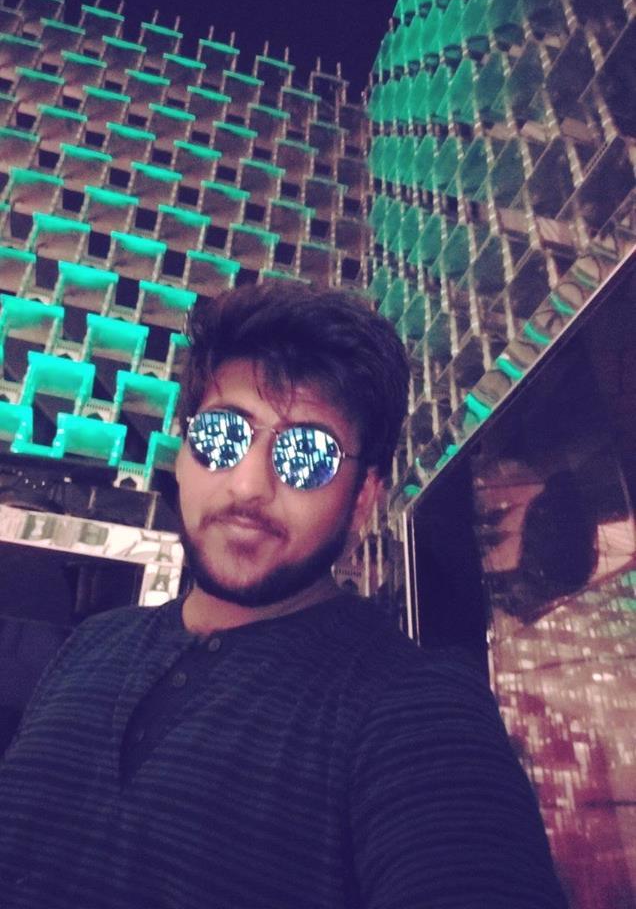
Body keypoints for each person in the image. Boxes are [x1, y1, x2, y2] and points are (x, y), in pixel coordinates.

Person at [0, 283, 567, 908]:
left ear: (362, 500)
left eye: (307, 453)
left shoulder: (415, 708)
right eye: (222, 436)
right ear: (182, 456)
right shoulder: (92, 644)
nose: (249, 485)